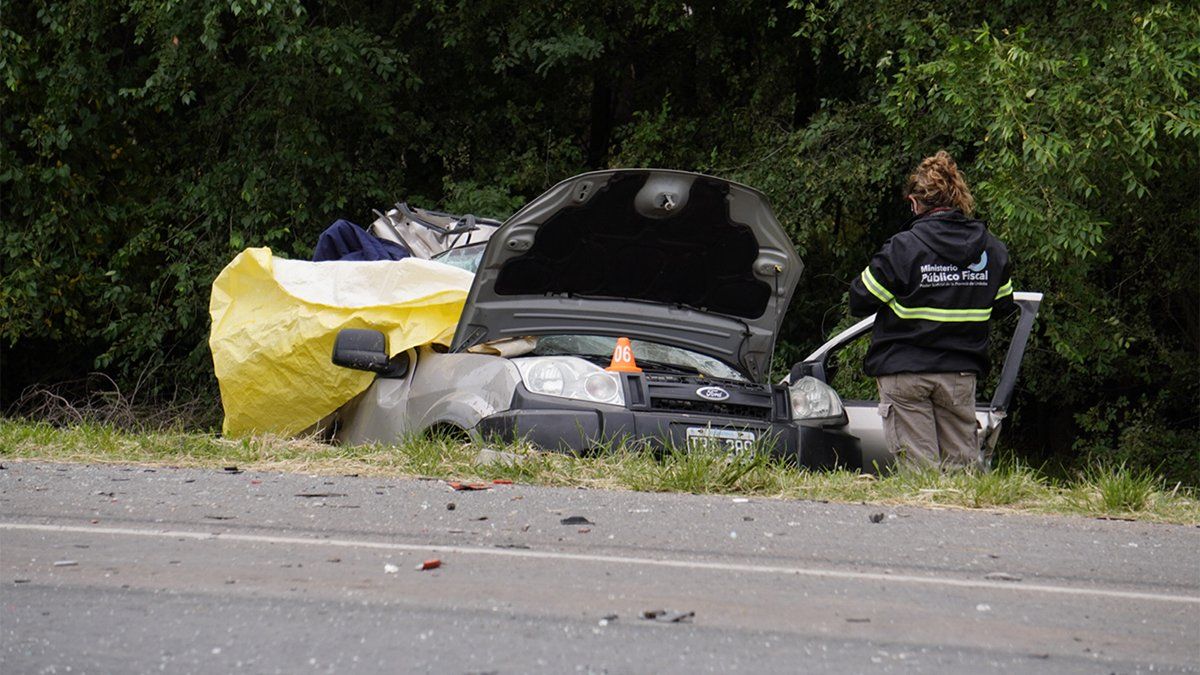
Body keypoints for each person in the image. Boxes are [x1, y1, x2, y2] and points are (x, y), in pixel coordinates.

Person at [849, 151, 1013, 471]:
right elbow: (1003, 306)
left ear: (914, 203)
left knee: (919, 473)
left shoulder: (903, 247)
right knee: (962, 471)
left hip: (904, 372)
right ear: (959, 198)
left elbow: (860, 299)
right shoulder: (992, 250)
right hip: (959, 375)